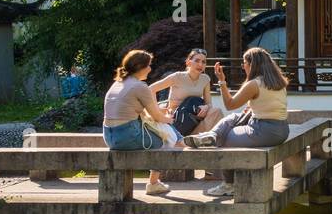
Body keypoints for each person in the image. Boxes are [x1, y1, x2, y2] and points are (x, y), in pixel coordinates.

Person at [185, 47, 290, 198]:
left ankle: (229, 185)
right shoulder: (279, 82)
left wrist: (222, 81)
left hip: (264, 130)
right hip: (281, 129)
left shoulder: (254, 84)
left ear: (252, 64)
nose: (243, 66)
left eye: (244, 63)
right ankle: (211, 135)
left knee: (225, 139)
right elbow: (251, 108)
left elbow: (230, 104)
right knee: (233, 117)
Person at [102, 49, 181, 196]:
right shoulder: (140, 86)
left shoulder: (118, 83)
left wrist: (162, 116)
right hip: (127, 136)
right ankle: (153, 183)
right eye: (149, 65)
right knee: (165, 140)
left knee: (165, 130)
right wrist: (170, 119)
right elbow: (157, 117)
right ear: (140, 67)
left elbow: (144, 113)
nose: (151, 69)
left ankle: (182, 143)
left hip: (109, 136)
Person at [147, 49, 225, 136]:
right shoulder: (177, 77)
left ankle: (203, 139)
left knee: (217, 112)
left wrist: (206, 107)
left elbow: (209, 103)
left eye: (203, 62)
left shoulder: (205, 79)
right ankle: (191, 138)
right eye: (197, 61)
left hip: (195, 118)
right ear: (188, 62)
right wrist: (157, 113)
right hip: (176, 119)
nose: (200, 64)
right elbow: (150, 89)